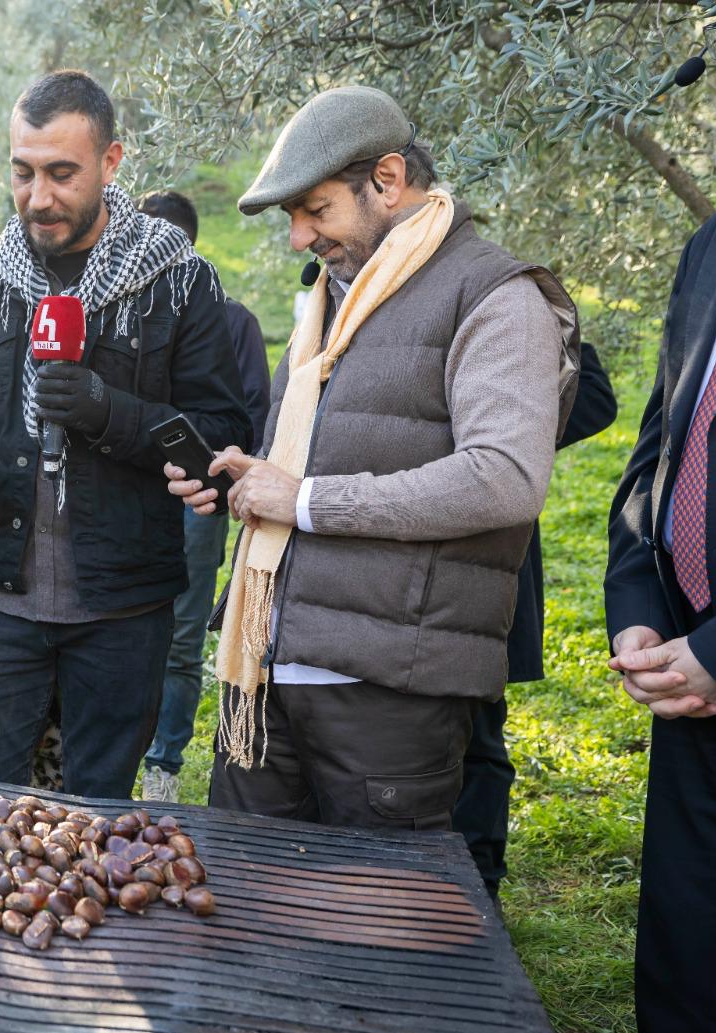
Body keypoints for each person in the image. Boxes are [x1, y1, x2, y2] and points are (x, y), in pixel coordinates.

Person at [170, 85, 578, 833]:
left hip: (388, 695)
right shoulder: (333, 298)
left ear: (387, 181)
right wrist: (245, 473)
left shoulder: (497, 295)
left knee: (373, 930)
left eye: (315, 210)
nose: (299, 238)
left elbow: (506, 478)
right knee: (253, 917)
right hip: (262, 676)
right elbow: (320, 447)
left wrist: (302, 500)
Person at [0, 70, 250, 799]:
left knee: (98, 824)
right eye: (23, 172)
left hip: (124, 609)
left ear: (112, 161)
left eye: (62, 173)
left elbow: (224, 437)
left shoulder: (180, 285)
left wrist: (109, 411)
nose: (39, 197)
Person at [604, 210, 716, 1033]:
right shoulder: (710, 245)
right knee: (686, 950)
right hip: (682, 674)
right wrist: (638, 597)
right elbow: (662, 445)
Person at [454, 341, 615, 905]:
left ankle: (479, 891)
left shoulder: (507, 303)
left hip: (487, 562)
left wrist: (504, 439)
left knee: (477, 739)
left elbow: (594, 399)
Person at [134, 189, 272, 802]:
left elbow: (247, 419)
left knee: (182, 637)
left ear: (188, 248)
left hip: (197, 509)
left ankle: (162, 763)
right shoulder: (121, 313)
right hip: (130, 501)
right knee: (123, 633)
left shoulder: (231, 319)